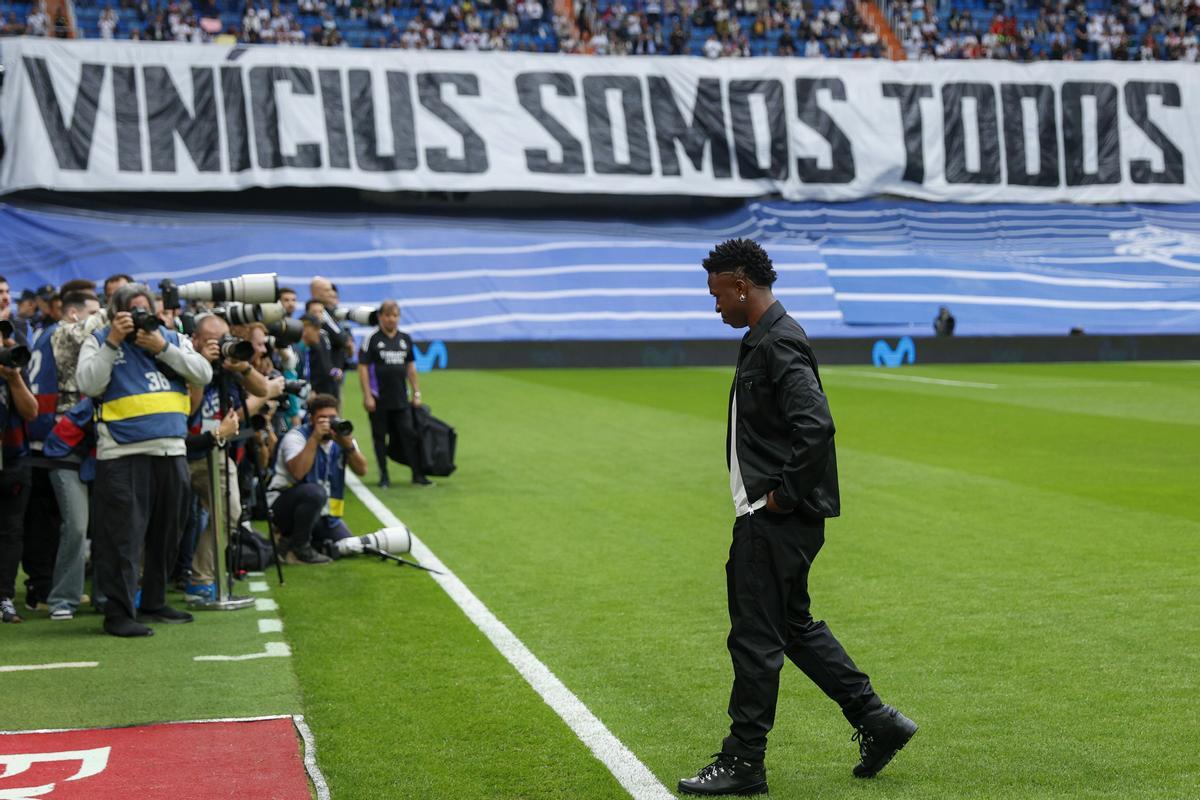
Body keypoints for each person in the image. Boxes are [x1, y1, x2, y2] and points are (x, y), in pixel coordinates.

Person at [679, 239, 917, 796]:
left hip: (775, 519)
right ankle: (877, 721)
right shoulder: (765, 338)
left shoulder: (778, 342)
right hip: (779, 518)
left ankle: (743, 761)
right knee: (791, 627)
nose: (715, 306)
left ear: (741, 285)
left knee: (755, 638)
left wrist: (781, 497)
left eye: (717, 294)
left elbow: (816, 426)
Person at [76, 283, 213, 637]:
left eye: (144, 309)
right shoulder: (101, 338)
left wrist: (164, 347)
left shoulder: (170, 337)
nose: (140, 317)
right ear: (115, 312)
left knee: (167, 533)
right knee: (123, 538)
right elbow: (89, 384)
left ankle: (154, 600)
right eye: (132, 310)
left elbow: (203, 374)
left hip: (171, 450)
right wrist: (112, 343)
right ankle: (119, 613)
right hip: (122, 453)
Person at [183, 313, 274, 601]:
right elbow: (188, 409)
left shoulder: (229, 366)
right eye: (211, 341)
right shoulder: (183, 360)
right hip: (183, 452)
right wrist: (201, 367)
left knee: (230, 511)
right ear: (195, 340)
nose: (218, 346)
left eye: (222, 341)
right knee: (169, 519)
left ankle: (201, 577)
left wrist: (243, 367)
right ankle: (146, 582)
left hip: (218, 453)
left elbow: (264, 389)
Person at [266, 393, 367, 564]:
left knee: (344, 544)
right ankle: (299, 547)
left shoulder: (341, 437)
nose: (328, 423)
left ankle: (290, 543)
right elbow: (298, 472)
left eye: (332, 418)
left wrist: (348, 446)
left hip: (324, 513)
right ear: (311, 419)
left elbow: (362, 470)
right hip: (282, 507)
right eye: (322, 418)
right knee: (315, 492)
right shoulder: (296, 437)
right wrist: (314, 438)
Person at [357, 300, 429, 488]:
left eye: (395, 315)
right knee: (380, 437)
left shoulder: (405, 338)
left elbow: (411, 367)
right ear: (380, 317)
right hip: (378, 398)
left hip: (401, 398)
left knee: (409, 435)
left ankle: (417, 474)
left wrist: (416, 392)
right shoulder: (371, 338)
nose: (391, 319)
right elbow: (363, 368)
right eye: (388, 315)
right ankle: (384, 476)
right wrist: (367, 395)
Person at [0, 321, 37, 623]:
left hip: (13, 462)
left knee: (11, 533)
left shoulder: (12, 368)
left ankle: (4, 597)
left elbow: (31, 411)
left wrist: (13, 380)